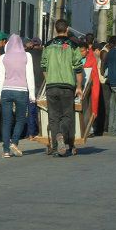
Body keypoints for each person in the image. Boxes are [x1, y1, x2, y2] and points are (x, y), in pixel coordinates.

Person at [41, 20, 84, 156]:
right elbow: (78, 68)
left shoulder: (48, 46)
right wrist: (79, 87)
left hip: (51, 86)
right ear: (67, 30)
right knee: (67, 116)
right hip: (67, 86)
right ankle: (61, 134)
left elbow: (43, 65)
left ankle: (55, 147)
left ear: (55, 30)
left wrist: (49, 80)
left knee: (53, 117)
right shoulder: (73, 45)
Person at [0, 34, 36, 158]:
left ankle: (6, 150)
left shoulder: (3, 57)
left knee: (6, 121)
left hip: (6, 91)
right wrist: (32, 95)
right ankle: (15, 142)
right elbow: (30, 76)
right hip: (21, 91)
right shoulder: (27, 56)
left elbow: (0, 77)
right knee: (20, 119)